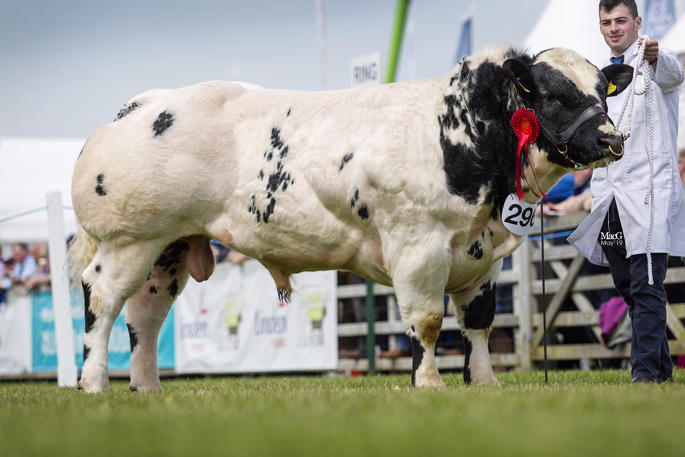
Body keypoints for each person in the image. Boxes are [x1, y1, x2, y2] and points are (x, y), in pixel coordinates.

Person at [568, 0, 685, 383]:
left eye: (621, 20)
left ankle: (645, 374)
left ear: (637, 22)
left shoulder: (656, 60)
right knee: (628, 287)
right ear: (600, 26)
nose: (614, 27)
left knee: (647, 282)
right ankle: (662, 370)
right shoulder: (599, 77)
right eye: (607, 22)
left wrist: (654, 53)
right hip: (611, 195)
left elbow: (673, 72)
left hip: (649, 193)